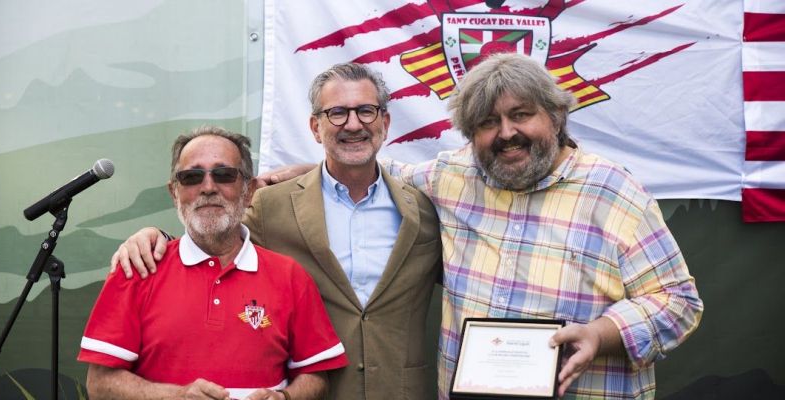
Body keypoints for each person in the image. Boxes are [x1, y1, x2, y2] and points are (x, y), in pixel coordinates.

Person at [379, 52, 704, 399]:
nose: (506, 133)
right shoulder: (452, 177)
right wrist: (314, 173)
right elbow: (373, 175)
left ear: (556, 115)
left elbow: (679, 301)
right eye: (488, 122)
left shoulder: (612, 191)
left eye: (521, 114)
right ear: (470, 135)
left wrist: (600, 333)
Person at [111, 64, 443, 400]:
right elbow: (214, 233)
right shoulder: (272, 205)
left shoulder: (424, 211)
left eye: (366, 111)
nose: (353, 124)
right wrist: (155, 237)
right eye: (338, 113)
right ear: (316, 127)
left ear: (384, 123)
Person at [79, 126, 347, 400]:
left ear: (249, 190)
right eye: (192, 177)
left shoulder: (290, 276)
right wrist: (177, 396)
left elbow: (315, 376)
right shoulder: (138, 268)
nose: (208, 188)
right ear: (175, 193)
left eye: (224, 175)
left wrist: (285, 398)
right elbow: (100, 384)